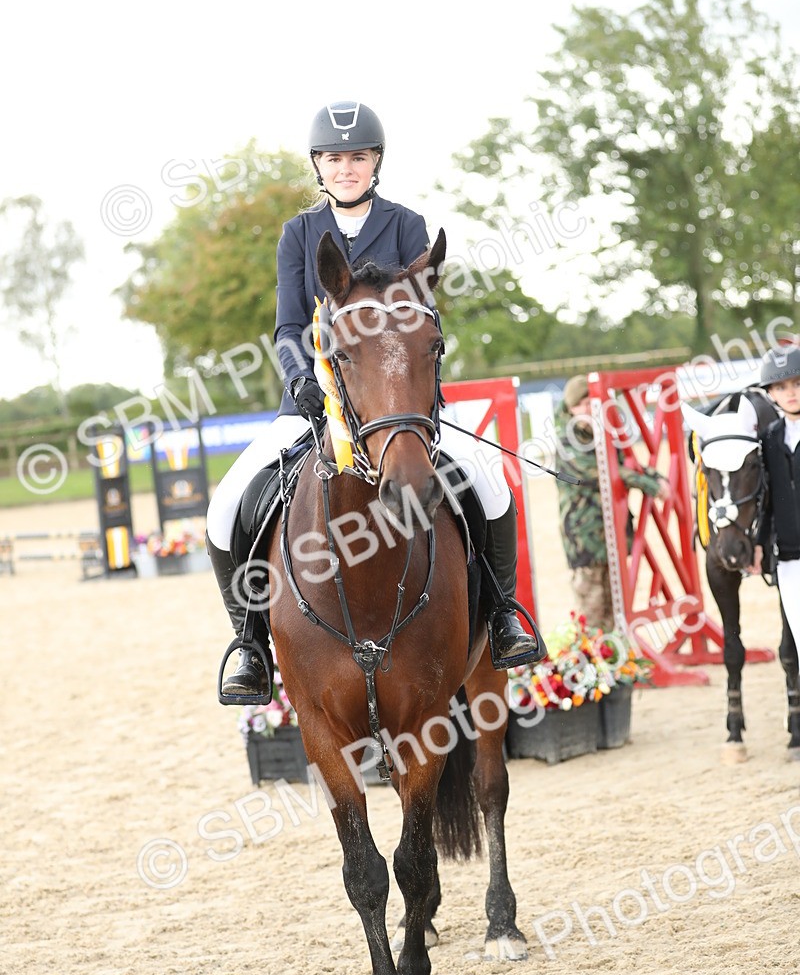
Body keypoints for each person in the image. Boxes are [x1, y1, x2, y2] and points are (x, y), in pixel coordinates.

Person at [206, 99, 544, 699]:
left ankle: (502, 617)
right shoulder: (299, 234)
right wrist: (300, 380)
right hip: (317, 404)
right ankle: (251, 647)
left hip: (402, 408)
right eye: (335, 159)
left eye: (357, 157)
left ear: (376, 162)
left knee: (491, 482)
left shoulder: (408, 225)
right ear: (318, 165)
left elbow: (420, 320)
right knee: (227, 503)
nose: (346, 169)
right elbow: (288, 328)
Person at [554, 374, 670, 631]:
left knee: (617, 612)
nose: (588, 409)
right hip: (585, 541)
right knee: (592, 613)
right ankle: (596, 667)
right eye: (581, 404)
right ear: (570, 409)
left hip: (611, 536)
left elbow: (627, 465)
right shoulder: (567, 443)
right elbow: (606, 472)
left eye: (591, 402)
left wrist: (656, 477)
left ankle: (616, 663)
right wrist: (651, 485)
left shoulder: (602, 436)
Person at [749, 345, 800, 648]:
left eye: (797, 383)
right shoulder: (769, 438)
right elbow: (767, 501)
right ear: (771, 393)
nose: (791, 392)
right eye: (781, 386)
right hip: (789, 556)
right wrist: (759, 543)